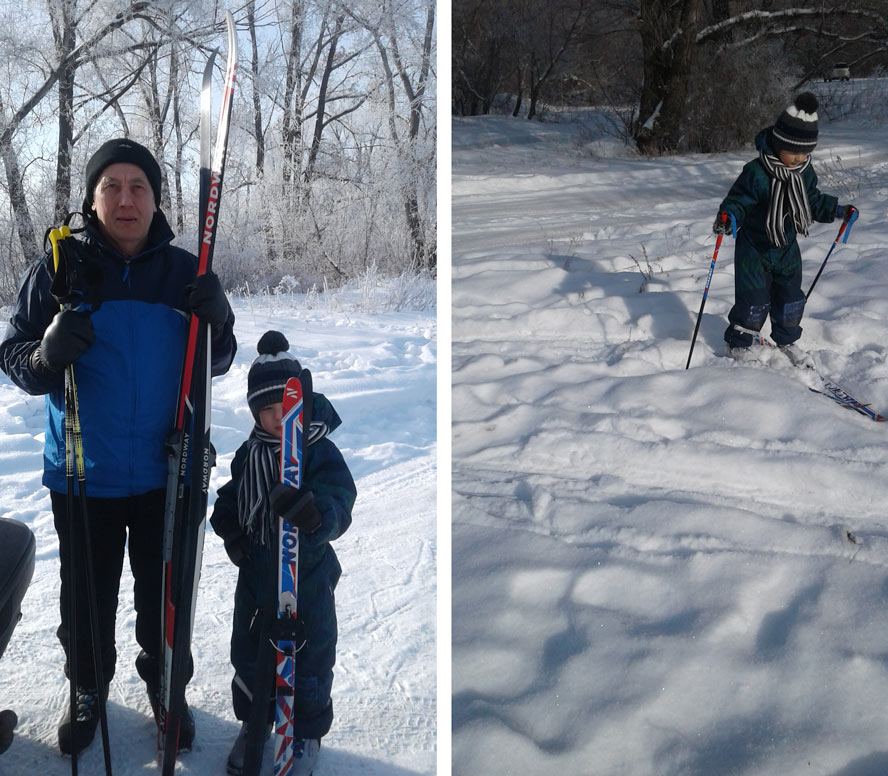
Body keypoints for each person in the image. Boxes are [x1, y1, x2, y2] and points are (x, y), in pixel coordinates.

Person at [0, 138, 237, 755]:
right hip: (85, 471)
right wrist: (47, 354)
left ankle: (165, 686)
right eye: (112, 186)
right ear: (92, 196)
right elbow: (13, 356)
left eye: (139, 187)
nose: (125, 199)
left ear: (156, 199)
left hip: (168, 470)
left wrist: (220, 324)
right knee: (85, 599)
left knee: (166, 600)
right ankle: (87, 688)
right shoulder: (61, 266)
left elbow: (217, 362)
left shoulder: (186, 271)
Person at [210, 331, 355, 776]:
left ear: (302, 405)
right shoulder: (250, 453)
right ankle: (254, 724)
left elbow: (340, 500)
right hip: (257, 576)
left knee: (310, 658)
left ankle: (304, 732)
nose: (276, 418)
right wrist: (233, 533)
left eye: (284, 408)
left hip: (306, 574)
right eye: (266, 410)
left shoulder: (319, 451)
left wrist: (316, 517)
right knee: (251, 655)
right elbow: (232, 501)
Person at [713, 92, 857, 362]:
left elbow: (812, 201)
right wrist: (729, 217)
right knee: (753, 301)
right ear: (779, 143)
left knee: (791, 300)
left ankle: (787, 342)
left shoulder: (805, 173)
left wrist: (838, 210)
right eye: (794, 151)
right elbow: (738, 201)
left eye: (806, 152)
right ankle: (739, 344)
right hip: (755, 249)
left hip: (787, 249)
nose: (800, 157)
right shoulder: (756, 172)